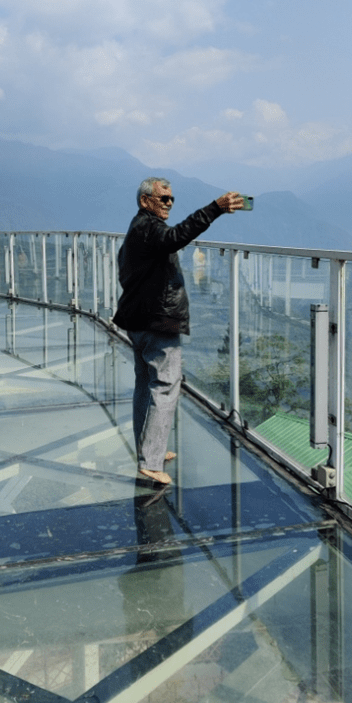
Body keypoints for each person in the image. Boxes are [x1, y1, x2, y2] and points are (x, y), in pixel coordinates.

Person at [113, 177, 243, 485]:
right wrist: (215, 208)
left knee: (146, 384)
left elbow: (127, 267)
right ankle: (151, 460)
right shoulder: (150, 228)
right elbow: (177, 237)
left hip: (139, 319)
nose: (169, 202)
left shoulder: (137, 228)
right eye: (163, 198)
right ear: (145, 200)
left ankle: (149, 448)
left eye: (172, 198)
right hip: (157, 320)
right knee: (166, 384)